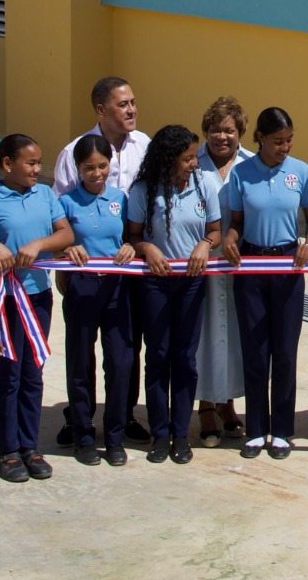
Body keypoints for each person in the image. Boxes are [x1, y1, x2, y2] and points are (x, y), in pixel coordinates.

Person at [0, 133, 74, 484]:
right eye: (31, 163)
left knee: (33, 372)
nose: (38, 169)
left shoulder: (45, 195)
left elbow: (65, 235)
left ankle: (29, 446)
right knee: (9, 374)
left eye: (39, 162)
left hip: (38, 297)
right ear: (8, 165)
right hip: (4, 299)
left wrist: (39, 244)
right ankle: (8, 450)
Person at [53, 76, 152, 447]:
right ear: (101, 110)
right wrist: (64, 258)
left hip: (128, 267)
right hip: (84, 273)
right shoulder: (72, 152)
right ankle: (79, 423)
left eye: (132, 102)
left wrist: (134, 247)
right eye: (122, 104)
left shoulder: (144, 146)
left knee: (126, 348)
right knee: (81, 352)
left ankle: (122, 418)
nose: (131, 110)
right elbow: (60, 215)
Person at [221, 107, 308, 459]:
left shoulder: (301, 172)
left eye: (289, 140)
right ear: (260, 138)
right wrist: (230, 239)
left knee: (285, 352)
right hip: (251, 266)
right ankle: (255, 429)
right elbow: (236, 222)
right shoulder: (241, 174)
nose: (285, 147)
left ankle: (281, 430)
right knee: (255, 350)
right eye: (278, 141)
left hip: (288, 266)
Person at [127, 124, 222, 466]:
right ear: (167, 159)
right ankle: (160, 433)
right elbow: (132, 234)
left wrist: (205, 245)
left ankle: (180, 434)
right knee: (158, 356)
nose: (194, 163)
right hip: (155, 284)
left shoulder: (205, 184)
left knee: (184, 357)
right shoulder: (143, 190)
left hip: (192, 283)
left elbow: (215, 229)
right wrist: (147, 248)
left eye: (194, 157)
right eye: (186, 158)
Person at [57, 135, 138, 468]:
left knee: (120, 362)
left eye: (102, 166)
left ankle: (115, 436)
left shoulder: (121, 198)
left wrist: (131, 246)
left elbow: (132, 236)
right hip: (82, 286)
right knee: (80, 362)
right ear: (78, 168)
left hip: (117, 286)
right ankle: (83, 435)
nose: (96, 173)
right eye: (89, 167)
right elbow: (57, 240)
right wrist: (66, 249)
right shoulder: (65, 203)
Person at [195, 97, 251, 445]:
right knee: (204, 334)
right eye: (215, 130)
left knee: (233, 334)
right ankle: (204, 406)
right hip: (200, 261)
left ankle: (227, 403)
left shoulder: (250, 164)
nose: (222, 137)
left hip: (239, 262)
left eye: (229, 130)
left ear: (240, 132)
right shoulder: (192, 163)